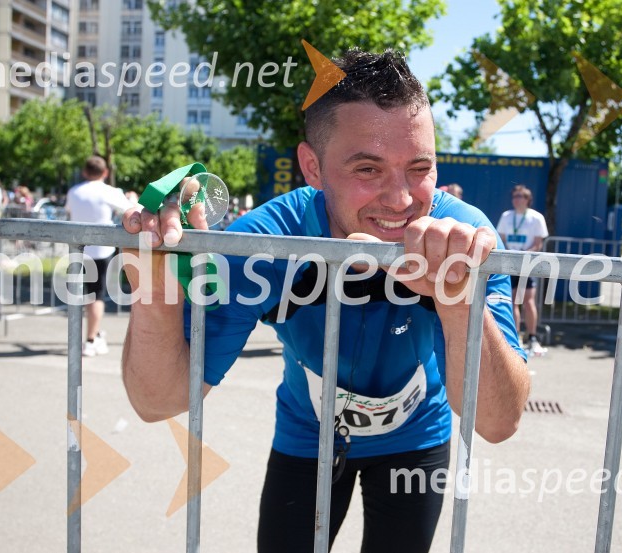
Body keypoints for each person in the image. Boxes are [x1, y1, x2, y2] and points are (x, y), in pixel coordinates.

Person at [120, 49, 530, 552]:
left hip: (417, 438)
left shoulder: (465, 236)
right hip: (306, 436)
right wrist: (155, 285)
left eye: (419, 167)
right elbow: (156, 400)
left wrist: (458, 300)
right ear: (313, 167)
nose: (401, 199)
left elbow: (498, 422)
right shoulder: (269, 242)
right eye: (368, 169)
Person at [66, 156, 134, 357]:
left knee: (81, 294)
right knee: (96, 296)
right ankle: (90, 339)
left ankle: (88, 334)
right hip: (100, 251)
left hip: (77, 249)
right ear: (105, 173)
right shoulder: (109, 192)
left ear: (85, 172)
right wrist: (132, 197)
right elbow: (131, 209)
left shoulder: (74, 191)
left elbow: (69, 211)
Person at [495, 184, 549, 356]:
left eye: (521, 196)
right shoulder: (506, 216)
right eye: (515, 196)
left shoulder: (536, 217)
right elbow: (501, 238)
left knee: (528, 301)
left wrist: (524, 256)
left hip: (527, 263)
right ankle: (515, 337)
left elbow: (538, 243)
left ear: (528, 199)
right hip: (510, 263)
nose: (517, 199)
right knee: (511, 301)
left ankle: (532, 337)